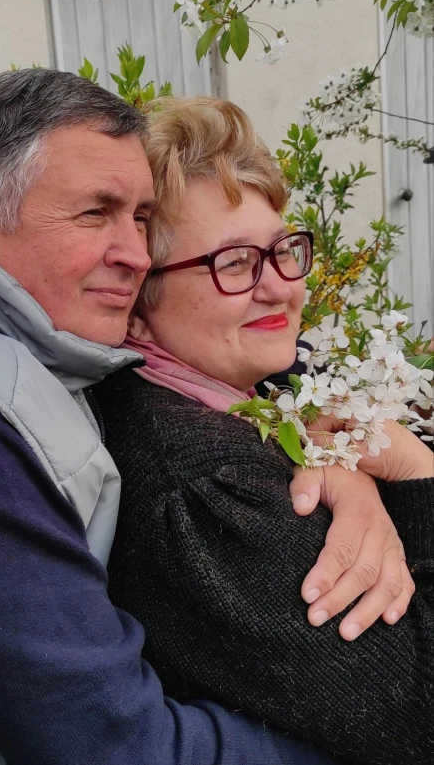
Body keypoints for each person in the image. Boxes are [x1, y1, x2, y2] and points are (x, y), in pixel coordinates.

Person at [0, 68, 368, 765]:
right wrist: (353, 748)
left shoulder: (21, 334)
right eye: (95, 212)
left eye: (143, 218)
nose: (133, 253)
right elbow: (116, 746)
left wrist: (347, 452)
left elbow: (252, 347)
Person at [92, 96, 434, 765]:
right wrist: (415, 475)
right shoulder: (205, 492)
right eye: (232, 263)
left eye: (283, 250)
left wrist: (337, 456)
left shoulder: (244, 389)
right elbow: (417, 715)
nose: (278, 286)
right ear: (139, 299)